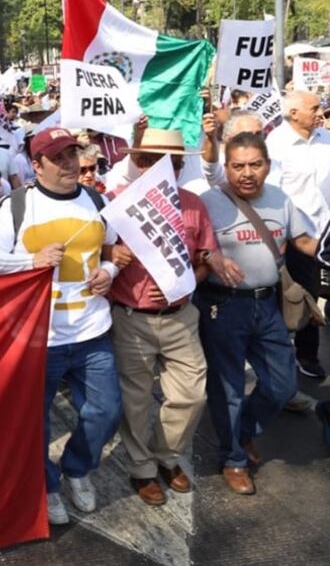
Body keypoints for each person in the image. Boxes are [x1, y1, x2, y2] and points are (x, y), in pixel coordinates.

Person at [0, 127, 121, 525]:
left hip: (92, 332)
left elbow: (115, 250)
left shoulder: (95, 199)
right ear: (36, 166)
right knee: (34, 423)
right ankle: (49, 484)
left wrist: (108, 270)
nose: (70, 164)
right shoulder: (17, 205)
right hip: (39, 337)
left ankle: (76, 468)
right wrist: (31, 261)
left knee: (107, 411)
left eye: (73, 155)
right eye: (58, 158)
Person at [105, 129, 225, 506]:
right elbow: (89, 257)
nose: (166, 169)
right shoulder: (114, 205)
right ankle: (142, 468)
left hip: (181, 316)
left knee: (191, 395)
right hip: (130, 317)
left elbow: (206, 258)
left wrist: (188, 279)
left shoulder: (194, 205)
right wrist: (110, 254)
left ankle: (167, 455)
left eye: (174, 163)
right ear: (139, 162)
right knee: (135, 400)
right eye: (155, 161)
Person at [195, 132, 319, 495]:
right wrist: (208, 257)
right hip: (222, 307)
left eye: (254, 164)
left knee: (283, 385)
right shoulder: (208, 202)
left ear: (267, 165)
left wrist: (324, 248)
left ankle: (244, 430)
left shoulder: (282, 199)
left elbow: (304, 242)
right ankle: (233, 457)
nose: (246, 173)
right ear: (226, 167)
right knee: (228, 388)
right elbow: (193, 250)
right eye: (237, 166)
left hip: (267, 306)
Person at [265, 91, 330, 379]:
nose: (321, 112)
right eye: (314, 108)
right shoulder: (276, 145)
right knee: (303, 295)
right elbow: (272, 194)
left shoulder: (325, 139)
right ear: (293, 114)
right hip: (297, 238)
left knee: (321, 294)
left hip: (326, 235)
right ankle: (305, 355)